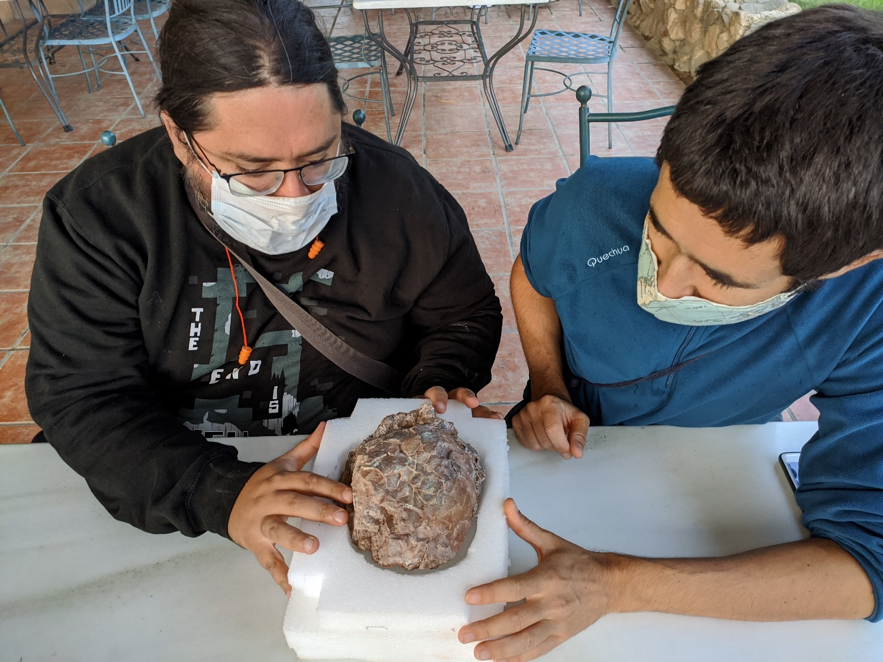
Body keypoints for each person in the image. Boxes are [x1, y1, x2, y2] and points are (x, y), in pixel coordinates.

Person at [25, 0, 502, 595]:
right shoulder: (102, 217)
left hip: (360, 492)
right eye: (252, 171)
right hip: (174, 486)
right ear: (179, 137)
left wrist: (440, 381)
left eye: (318, 159)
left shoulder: (398, 192)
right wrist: (218, 492)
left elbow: (462, 315)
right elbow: (83, 394)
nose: (293, 195)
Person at [458, 6, 883, 660]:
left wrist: (616, 585)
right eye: (658, 229)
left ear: (847, 264)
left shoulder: (868, 306)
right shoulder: (594, 201)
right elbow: (535, 274)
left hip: (717, 466)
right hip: (565, 453)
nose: (664, 282)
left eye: (718, 278)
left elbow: (867, 562)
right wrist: (547, 384)